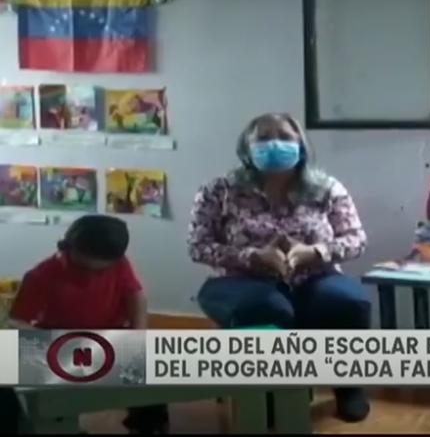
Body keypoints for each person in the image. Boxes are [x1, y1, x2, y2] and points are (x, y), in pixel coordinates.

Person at [189, 113, 371, 423]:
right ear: (246, 147)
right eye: (263, 137)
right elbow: (198, 245)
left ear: (301, 144)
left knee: (348, 303)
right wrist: (252, 256)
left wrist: (315, 252)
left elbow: (356, 239)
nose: (274, 144)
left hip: (315, 276)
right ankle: (270, 396)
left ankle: (348, 387)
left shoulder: (326, 188)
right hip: (239, 280)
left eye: (285, 136)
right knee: (267, 309)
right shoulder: (219, 190)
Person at [3, 215, 168, 434]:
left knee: (150, 375)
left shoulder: (120, 264)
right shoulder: (41, 275)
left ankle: (148, 425)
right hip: (58, 339)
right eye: (83, 267)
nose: (92, 275)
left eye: (100, 271)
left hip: (110, 336)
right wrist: (50, 344)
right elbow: (16, 321)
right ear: (69, 247)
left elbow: (135, 295)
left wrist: (138, 332)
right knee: (32, 387)